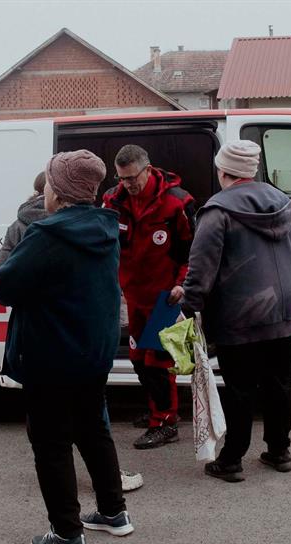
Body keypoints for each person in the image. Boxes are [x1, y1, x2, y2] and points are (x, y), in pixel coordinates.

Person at [0, 149, 134, 544]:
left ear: (58, 190)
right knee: (93, 430)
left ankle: (67, 533)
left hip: (50, 355)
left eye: (51, 183)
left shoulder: (48, 235)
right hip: (92, 351)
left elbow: (5, 288)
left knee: (51, 442)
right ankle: (113, 511)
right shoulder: (105, 228)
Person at [181, 140, 291, 483]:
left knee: (240, 387)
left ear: (223, 171)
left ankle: (232, 459)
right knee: (280, 382)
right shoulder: (286, 204)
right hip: (286, 310)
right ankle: (279, 451)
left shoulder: (217, 211)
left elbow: (201, 268)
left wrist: (189, 305)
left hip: (240, 314)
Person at [102, 145, 195, 449]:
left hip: (164, 297)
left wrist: (182, 284)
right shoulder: (113, 201)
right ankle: (157, 410)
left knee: (158, 361)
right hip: (131, 296)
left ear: (147, 169)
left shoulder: (177, 203)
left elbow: (193, 251)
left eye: (131, 178)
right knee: (138, 359)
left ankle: (166, 422)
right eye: (122, 178)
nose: (127, 184)